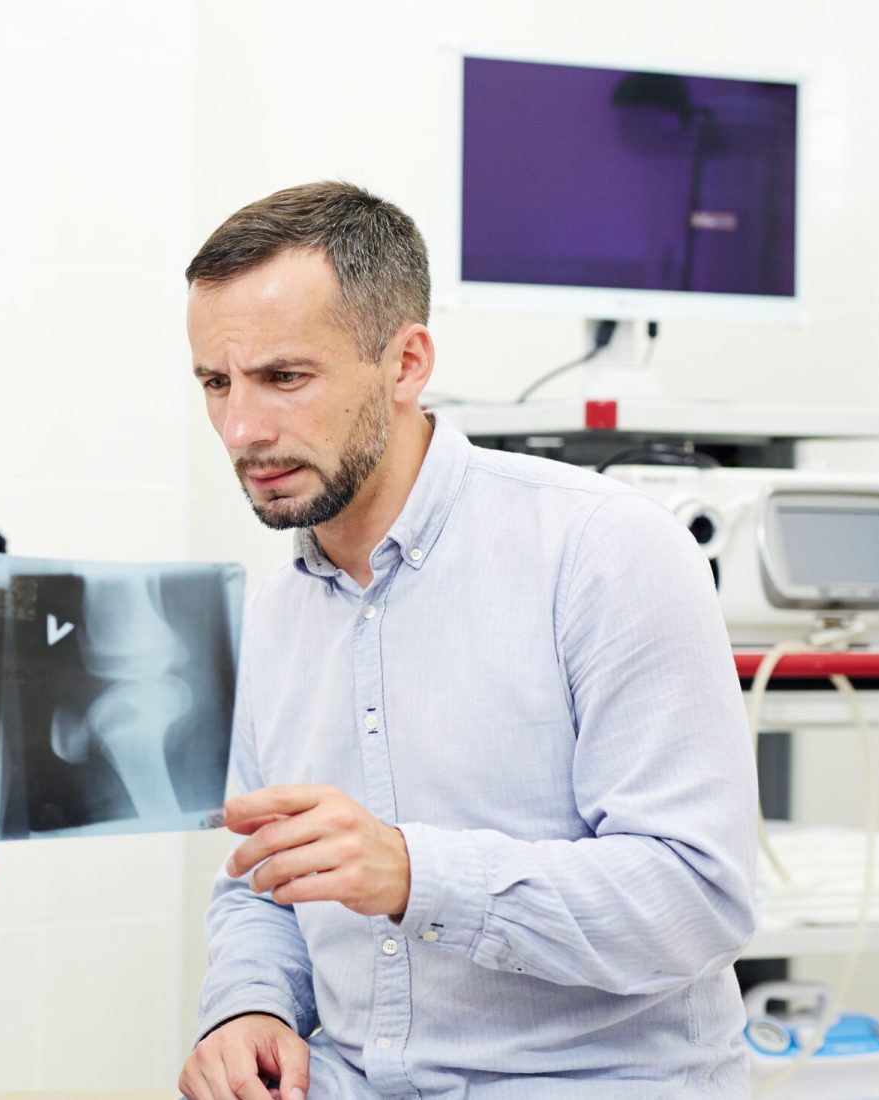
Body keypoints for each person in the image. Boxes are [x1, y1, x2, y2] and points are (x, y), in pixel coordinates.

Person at [175, 182, 757, 1100]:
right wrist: (250, 1008)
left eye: (285, 378)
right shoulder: (274, 619)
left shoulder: (602, 551)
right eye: (218, 383)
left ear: (406, 364)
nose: (243, 429)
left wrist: (419, 874)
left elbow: (696, 897)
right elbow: (263, 887)